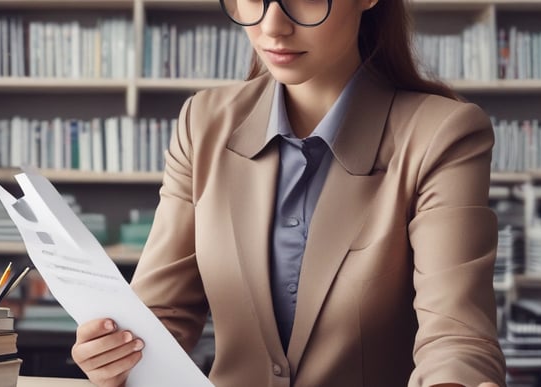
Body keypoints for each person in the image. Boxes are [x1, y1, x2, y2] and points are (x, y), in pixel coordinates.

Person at [71, 0, 506, 385]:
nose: (272, 25)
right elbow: (159, 316)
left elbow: (456, 335)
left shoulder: (442, 134)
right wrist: (115, 356)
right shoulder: (202, 122)